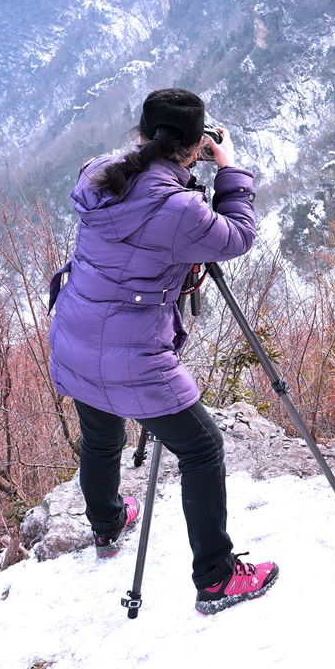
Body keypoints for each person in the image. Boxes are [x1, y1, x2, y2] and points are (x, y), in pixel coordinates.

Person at [47, 87, 278, 615]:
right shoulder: (179, 210)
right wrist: (230, 170)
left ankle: (107, 525)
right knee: (201, 449)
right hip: (132, 355)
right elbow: (239, 235)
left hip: (77, 336)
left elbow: (135, 181)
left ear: (143, 133)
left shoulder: (98, 174)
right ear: (196, 144)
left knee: (101, 437)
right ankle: (216, 577)